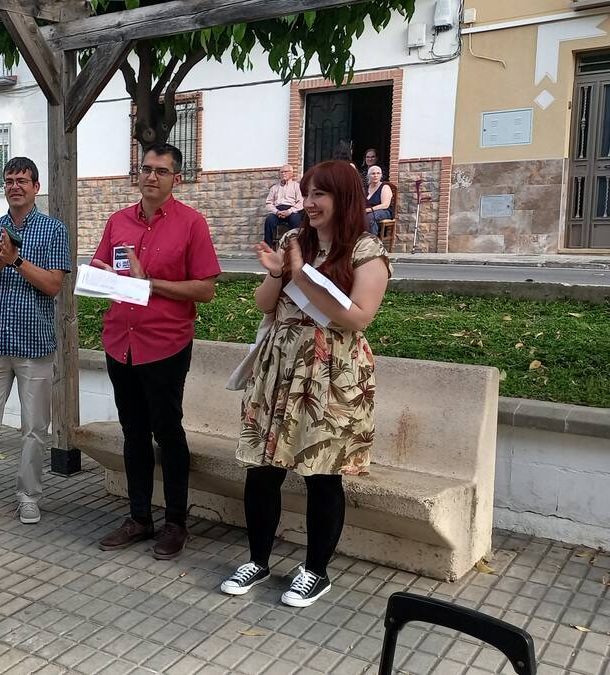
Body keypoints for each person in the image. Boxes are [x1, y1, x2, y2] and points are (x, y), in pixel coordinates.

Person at [219, 159, 391, 608]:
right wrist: (278, 272)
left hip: (332, 373)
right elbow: (264, 304)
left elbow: (358, 317)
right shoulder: (295, 241)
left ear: (344, 197)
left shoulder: (366, 252)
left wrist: (300, 276)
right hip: (280, 365)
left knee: (322, 475)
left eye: (319, 194)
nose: (309, 203)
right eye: (306, 193)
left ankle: (316, 571)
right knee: (262, 469)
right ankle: (258, 561)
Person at [90, 143, 221, 561]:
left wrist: (151, 285)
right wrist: (104, 276)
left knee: (168, 433)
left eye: (161, 171)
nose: (150, 176)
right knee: (133, 433)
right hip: (120, 342)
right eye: (145, 168)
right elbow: (99, 269)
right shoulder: (118, 222)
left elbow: (206, 289)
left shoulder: (191, 224)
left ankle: (177, 523)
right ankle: (139, 518)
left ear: (175, 179)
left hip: (166, 344)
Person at [0, 157, 70, 525]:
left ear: (36, 187)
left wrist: (15, 260)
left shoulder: (54, 231)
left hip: (35, 346)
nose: (14, 186)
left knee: (34, 430)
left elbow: (54, 285)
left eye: (22, 180)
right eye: (9, 180)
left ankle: (29, 496)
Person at [263, 165, 303, 247]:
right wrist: (277, 212)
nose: (283, 173)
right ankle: (268, 247)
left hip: (292, 210)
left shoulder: (297, 186)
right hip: (278, 210)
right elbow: (268, 203)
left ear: (291, 173)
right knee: (269, 220)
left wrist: (289, 211)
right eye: (281, 172)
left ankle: (294, 247)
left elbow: (301, 202)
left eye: (286, 171)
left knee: (296, 220)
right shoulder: (274, 188)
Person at [364, 165, 394, 235]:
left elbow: (385, 205)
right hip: (368, 211)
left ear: (381, 175)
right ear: (368, 176)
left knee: (369, 218)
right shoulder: (366, 188)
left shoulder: (385, 186)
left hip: (384, 211)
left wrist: (369, 210)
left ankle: (373, 242)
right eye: (373, 173)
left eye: (378, 173)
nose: (376, 175)